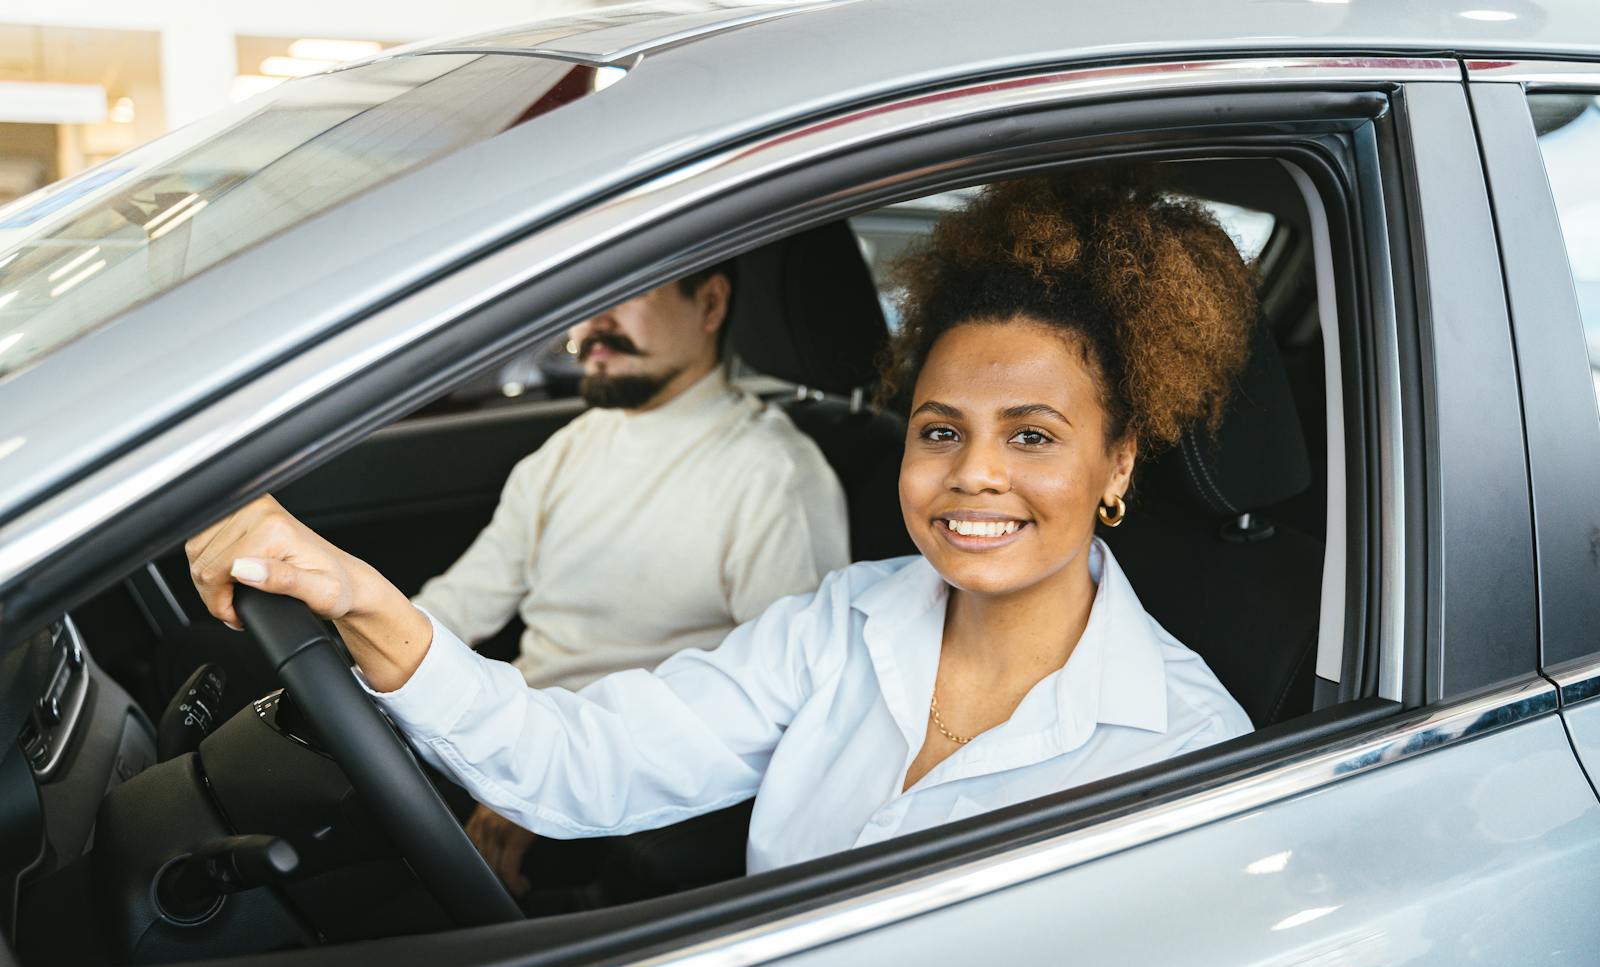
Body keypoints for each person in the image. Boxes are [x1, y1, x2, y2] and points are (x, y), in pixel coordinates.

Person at [186, 171, 1257, 877]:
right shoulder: (841, 625)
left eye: (1030, 437)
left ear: (1116, 461)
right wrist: (362, 598)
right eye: (938, 431)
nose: (972, 475)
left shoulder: (1184, 745)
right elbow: (578, 758)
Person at [411, 265, 850, 891]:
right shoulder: (571, 447)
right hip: (506, 742)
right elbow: (462, 602)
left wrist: (556, 793)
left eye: (627, 289)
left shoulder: (772, 475)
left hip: (620, 791)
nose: (595, 324)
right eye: (585, 297)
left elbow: (789, 704)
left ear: (711, 305)